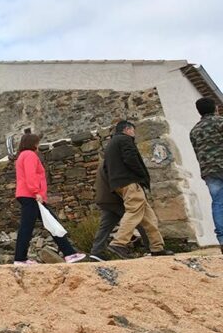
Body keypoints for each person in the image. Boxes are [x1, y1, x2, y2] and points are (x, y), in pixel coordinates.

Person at [12, 133, 86, 265]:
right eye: (37, 143)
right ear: (32, 143)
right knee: (30, 227)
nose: (38, 145)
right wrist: (36, 192)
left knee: (50, 224)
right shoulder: (29, 155)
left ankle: (69, 253)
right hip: (32, 196)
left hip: (28, 195)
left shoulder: (22, 156)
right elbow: (31, 175)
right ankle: (20, 259)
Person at [105, 120, 173, 259]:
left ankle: (157, 247)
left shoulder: (111, 144)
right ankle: (118, 242)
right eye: (133, 131)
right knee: (134, 210)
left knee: (149, 217)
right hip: (130, 182)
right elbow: (131, 159)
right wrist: (142, 176)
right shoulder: (125, 140)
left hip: (119, 183)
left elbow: (106, 168)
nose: (134, 134)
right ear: (128, 129)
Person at [89, 165, 149, 261]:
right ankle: (150, 248)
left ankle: (96, 252)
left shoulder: (103, 164)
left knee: (105, 227)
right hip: (115, 199)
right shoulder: (113, 162)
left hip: (104, 199)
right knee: (138, 219)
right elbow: (119, 181)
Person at [189, 97, 223, 254]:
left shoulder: (194, 131)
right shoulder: (220, 122)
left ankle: (222, 239)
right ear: (215, 108)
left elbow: (197, 153)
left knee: (218, 203)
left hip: (209, 171)